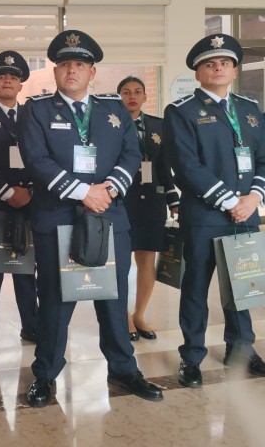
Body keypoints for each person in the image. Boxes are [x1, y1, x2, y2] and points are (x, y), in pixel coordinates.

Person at [19, 30, 163, 407]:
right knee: (55, 302)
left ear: (92, 72)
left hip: (109, 216)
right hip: (58, 219)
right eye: (65, 64)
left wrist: (108, 190)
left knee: (113, 299)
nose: (72, 70)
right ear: (55, 71)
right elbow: (36, 159)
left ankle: (123, 368)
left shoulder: (113, 109)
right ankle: (45, 374)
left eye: (80, 64)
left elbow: (131, 155)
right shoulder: (36, 109)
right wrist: (84, 192)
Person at [163, 34, 265, 387]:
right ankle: (192, 356)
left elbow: (263, 159)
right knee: (195, 289)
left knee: (241, 285)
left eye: (224, 63)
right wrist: (230, 201)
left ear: (234, 71)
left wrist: (253, 197)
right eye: (209, 64)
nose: (218, 68)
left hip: (246, 214)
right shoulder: (181, 112)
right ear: (198, 73)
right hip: (205, 217)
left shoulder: (250, 110)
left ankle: (242, 348)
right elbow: (186, 167)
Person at [0, 51, 38, 358]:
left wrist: (30, 192)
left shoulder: (34, 117)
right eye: (1, 77)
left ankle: (32, 326)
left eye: (13, 77)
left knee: (27, 273)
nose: (7, 81)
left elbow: (44, 156)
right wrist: (7, 191)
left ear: (21, 84)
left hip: (30, 205)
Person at [117, 76, 179, 341]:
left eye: (137, 92)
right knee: (121, 262)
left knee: (146, 259)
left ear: (145, 96)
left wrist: (173, 201)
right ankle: (122, 316)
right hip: (121, 201)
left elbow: (164, 166)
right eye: (126, 92)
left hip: (152, 201)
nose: (132, 96)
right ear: (119, 97)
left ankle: (139, 314)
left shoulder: (158, 125)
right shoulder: (111, 124)